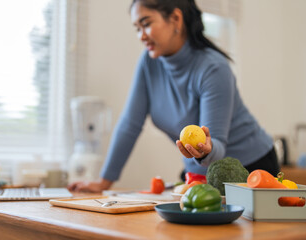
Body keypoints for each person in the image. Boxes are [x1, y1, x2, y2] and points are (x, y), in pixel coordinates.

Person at [68, 0, 279, 192]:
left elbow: (217, 145)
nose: (141, 35)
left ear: (175, 19)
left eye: (146, 23)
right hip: (199, 172)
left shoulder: (213, 69)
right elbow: (129, 125)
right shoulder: (149, 62)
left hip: (252, 168)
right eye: (137, 28)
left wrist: (204, 150)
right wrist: (104, 182)